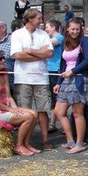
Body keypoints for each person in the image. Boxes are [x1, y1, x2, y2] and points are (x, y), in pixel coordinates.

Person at [0, 50, 39, 156]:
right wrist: (10, 109)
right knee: (28, 116)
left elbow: (8, 96)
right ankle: (18, 146)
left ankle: (26, 143)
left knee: (34, 113)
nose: (3, 61)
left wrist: (16, 109)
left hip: (4, 108)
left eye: (3, 58)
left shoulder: (3, 74)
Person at [10, 8, 54, 150]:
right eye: (39, 18)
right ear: (30, 19)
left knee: (43, 110)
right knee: (26, 112)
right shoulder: (17, 34)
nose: (41, 21)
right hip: (23, 78)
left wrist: (31, 51)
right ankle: (24, 142)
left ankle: (45, 139)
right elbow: (17, 55)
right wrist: (40, 53)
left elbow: (50, 53)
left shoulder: (43, 34)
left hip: (41, 78)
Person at [53, 18, 88, 154]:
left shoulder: (84, 41)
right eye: (72, 29)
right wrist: (58, 82)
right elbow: (62, 63)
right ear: (67, 29)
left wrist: (73, 71)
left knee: (78, 113)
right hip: (66, 80)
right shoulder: (65, 42)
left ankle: (79, 143)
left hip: (79, 79)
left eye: (78, 29)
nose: (75, 32)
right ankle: (70, 140)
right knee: (59, 111)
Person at [45, 19, 63, 133]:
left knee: (57, 97)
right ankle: (53, 122)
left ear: (53, 27)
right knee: (52, 98)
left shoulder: (59, 37)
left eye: (47, 27)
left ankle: (54, 122)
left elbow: (49, 44)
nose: (46, 29)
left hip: (56, 69)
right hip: (49, 69)